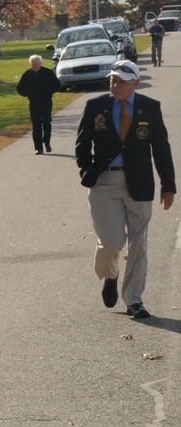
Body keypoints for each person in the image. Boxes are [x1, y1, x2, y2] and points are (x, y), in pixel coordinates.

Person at [75, 59, 175, 319]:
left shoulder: (150, 108)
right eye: (112, 79)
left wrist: (168, 185)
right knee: (112, 242)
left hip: (139, 184)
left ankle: (134, 300)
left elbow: (161, 148)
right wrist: (86, 170)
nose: (115, 84)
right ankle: (110, 275)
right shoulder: (95, 106)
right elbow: (82, 144)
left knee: (138, 245)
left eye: (121, 81)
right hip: (104, 184)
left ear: (135, 83)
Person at [17, 54, 62, 154]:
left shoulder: (47, 73)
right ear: (31, 64)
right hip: (34, 102)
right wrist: (28, 94)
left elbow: (57, 85)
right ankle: (38, 148)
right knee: (36, 125)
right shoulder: (27, 74)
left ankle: (47, 142)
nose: (35, 66)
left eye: (37, 64)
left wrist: (49, 92)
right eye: (33, 64)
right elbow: (19, 88)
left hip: (46, 101)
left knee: (46, 123)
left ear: (40, 63)